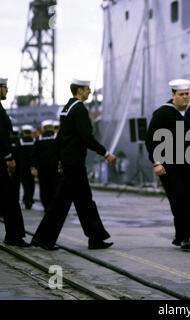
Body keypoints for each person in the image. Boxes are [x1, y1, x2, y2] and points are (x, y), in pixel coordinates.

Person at [31, 79, 116, 250]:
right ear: (79, 91)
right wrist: (105, 153)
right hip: (74, 165)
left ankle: (95, 238)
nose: (90, 91)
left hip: (70, 163)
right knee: (62, 204)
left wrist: (61, 160)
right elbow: (87, 137)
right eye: (87, 89)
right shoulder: (79, 109)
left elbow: (61, 138)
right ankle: (43, 239)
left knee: (84, 202)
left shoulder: (66, 109)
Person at [146, 79, 190, 251]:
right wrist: (156, 162)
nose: (185, 97)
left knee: (187, 199)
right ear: (173, 95)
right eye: (181, 94)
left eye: (187, 94)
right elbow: (150, 139)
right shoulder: (162, 113)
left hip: (186, 163)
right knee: (178, 198)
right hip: (168, 165)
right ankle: (186, 237)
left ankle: (180, 236)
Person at [0, 75, 30, 247]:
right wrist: (8, 157)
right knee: (10, 199)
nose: (7, 90)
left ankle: (14, 235)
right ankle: (14, 236)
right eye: (5, 87)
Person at [31, 119, 59, 212]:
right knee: (54, 186)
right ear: (51, 127)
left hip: (42, 168)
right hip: (54, 167)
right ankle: (54, 205)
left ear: (44, 128)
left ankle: (46, 205)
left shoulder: (39, 139)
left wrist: (34, 167)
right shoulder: (57, 137)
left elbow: (35, 154)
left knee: (44, 187)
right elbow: (61, 152)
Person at [19, 124, 36, 209]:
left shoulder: (20, 141)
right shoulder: (34, 141)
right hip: (32, 166)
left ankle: (26, 199)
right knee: (31, 183)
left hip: (23, 167)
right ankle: (30, 198)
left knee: (25, 184)